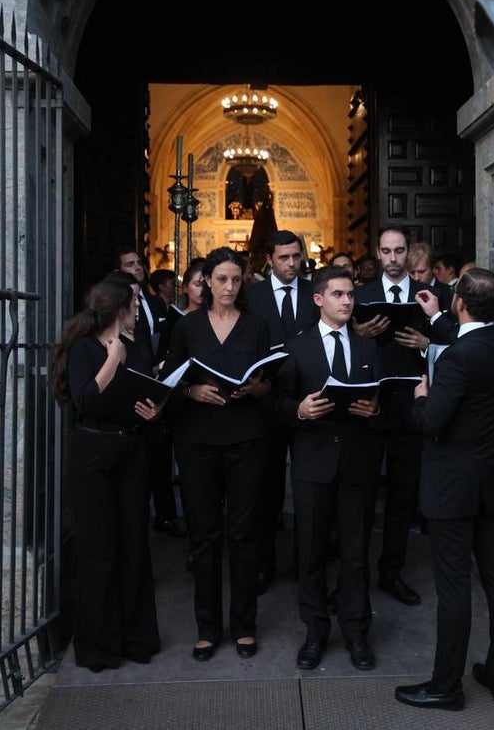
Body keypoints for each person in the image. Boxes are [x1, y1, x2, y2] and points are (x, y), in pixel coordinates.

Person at [394, 267, 494, 711]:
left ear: (460, 302)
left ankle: (446, 685)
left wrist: (420, 397)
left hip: (453, 486)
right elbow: (469, 341)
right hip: (493, 479)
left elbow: (431, 423)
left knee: (453, 587)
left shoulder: (456, 359)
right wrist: (437, 320)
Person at [159, 247, 273, 662]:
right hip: (197, 441)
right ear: (206, 281)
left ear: (244, 282)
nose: (228, 286)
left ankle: (245, 626)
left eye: (236, 280)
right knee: (204, 537)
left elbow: (271, 379)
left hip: (246, 439)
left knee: (244, 537)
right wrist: (192, 390)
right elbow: (169, 377)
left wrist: (257, 388)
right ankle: (207, 629)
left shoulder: (257, 325)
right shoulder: (187, 327)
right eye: (221, 279)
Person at [48, 277, 163, 673]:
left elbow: (145, 394)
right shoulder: (83, 348)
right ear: (120, 310)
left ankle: (137, 638)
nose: (138, 309)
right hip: (92, 453)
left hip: (131, 449)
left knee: (134, 544)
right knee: (99, 550)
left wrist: (155, 410)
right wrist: (113, 359)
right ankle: (99, 646)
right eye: (133, 303)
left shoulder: (140, 346)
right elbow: (84, 399)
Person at [274, 265, 384, 672]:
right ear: (318, 299)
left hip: (356, 465)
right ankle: (316, 633)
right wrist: (299, 410)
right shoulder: (295, 346)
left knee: (356, 553)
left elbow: (378, 404)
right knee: (313, 553)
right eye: (338, 294)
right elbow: (277, 404)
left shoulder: (368, 348)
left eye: (350, 294)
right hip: (312, 464)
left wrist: (375, 408)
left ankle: (356, 633)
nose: (347, 301)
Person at [353, 224, 448, 606]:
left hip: (412, 404)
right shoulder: (361, 296)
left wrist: (429, 343)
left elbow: (455, 345)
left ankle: (391, 571)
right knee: (359, 492)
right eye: (387, 251)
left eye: (399, 251)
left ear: (409, 253)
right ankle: (353, 571)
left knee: (402, 493)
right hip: (370, 403)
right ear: (378, 253)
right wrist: (358, 332)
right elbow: (338, 345)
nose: (393, 258)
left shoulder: (432, 296)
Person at [246, 230, 322, 594]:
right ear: (270, 259)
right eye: (284, 258)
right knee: (265, 489)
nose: (292, 264)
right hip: (264, 404)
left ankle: (308, 563)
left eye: (296, 256)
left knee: (311, 490)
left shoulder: (315, 293)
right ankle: (264, 563)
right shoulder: (252, 296)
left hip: (310, 402)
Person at [117, 247, 185, 539]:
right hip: (131, 386)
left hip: (156, 380)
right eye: (130, 264)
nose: (138, 267)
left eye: (139, 263)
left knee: (160, 458)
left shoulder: (157, 305)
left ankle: (166, 516)